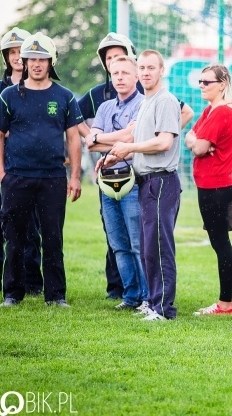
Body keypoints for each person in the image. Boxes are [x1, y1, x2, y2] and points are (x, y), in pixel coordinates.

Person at [80, 33, 193, 301]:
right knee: (127, 245)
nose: (120, 76)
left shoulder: (156, 101)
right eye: (114, 71)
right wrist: (114, 147)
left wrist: (119, 144)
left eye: (147, 68)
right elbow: (96, 142)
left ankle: (154, 302)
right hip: (125, 179)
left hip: (151, 179)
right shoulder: (111, 105)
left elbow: (158, 140)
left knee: (147, 244)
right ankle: (139, 299)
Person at [0, 32, 84, 308]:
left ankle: (55, 296)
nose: (36, 64)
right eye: (31, 59)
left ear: (51, 62)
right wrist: (1, 174)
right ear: (24, 61)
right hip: (16, 177)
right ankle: (12, 294)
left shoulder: (64, 96)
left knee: (53, 238)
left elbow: (74, 138)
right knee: (15, 238)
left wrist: (75, 176)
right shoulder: (9, 96)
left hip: (53, 178)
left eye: (42, 59)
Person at [102, 50, 182, 321]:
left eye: (151, 68)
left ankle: (163, 309)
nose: (146, 72)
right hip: (145, 182)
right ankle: (152, 302)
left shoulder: (166, 101)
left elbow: (164, 142)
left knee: (159, 247)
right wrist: (114, 154)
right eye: (143, 68)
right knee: (148, 247)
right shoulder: (147, 101)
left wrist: (129, 148)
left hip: (161, 181)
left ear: (162, 71)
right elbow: (140, 138)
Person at [0, 27, 43, 298]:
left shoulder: (41, 87)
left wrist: (8, 127)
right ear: (6, 57)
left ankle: (32, 283)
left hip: (31, 166)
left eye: (22, 52)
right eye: (13, 52)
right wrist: (18, 127)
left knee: (31, 226)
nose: (18, 57)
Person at [85, 55, 148, 311]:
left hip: (133, 181)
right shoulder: (104, 108)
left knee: (136, 242)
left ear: (136, 77)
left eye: (125, 72)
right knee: (118, 244)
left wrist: (102, 138)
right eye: (115, 73)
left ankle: (146, 297)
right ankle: (130, 296)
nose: (120, 77)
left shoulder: (144, 105)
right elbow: (90, 143)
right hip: (106, 182)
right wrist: (115, 139)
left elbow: (131, 137)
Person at [185, 64, 232, 316]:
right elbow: (191, 137)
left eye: (207, 82)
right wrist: (196, 142)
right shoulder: (210, 110)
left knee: (221, 243)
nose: (201, 86)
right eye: (200, 81)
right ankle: (226, 302)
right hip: (208, 184)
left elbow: (196, 147)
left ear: (222, 84)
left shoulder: (223, 113)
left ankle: (226, 303)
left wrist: (197, 144)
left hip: (216, 186)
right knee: (219, 242)